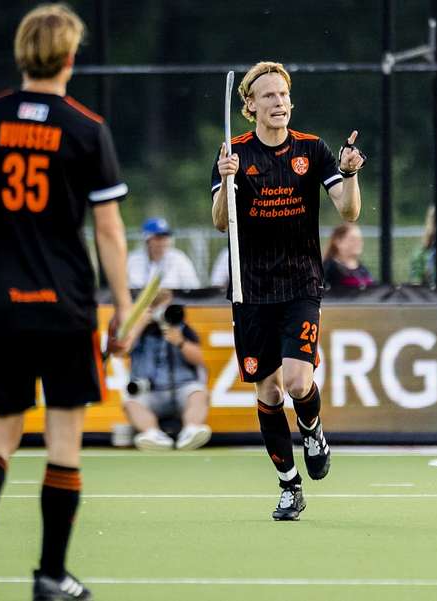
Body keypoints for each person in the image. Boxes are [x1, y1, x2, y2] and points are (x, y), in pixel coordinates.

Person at [0, 4, 133, 599]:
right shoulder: (85, 127)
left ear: (22, 53)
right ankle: (51, 575)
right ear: (71, 58)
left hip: (3, 303)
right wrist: (124, 304)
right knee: (64, 442)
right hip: (66, 306)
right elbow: (108, 230)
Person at [211, 61, 365, 520]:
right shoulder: (233, 153)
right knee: (269, 393)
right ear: (250, 106)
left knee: (298, 382)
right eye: (269, 96)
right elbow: (220, 221)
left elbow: (349, 212)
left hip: (300, 283)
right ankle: (288, 485)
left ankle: (313, 429)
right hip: (252, 290)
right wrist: (226, 180)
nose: (279, 103)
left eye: (283, 95)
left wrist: (350, 172)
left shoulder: (312, 150)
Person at [124, 289, 211, 451]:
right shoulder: (140, 330)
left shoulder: (181, 328)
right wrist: (142, 322)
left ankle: (191, 431)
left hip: (182, 388)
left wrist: (180, 341)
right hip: (150, 390)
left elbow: (199, 358)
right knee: (131, 402)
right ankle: (152, 434)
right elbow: (124, 349)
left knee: (199, 393)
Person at [127, 217, 201, 290]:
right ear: (147, 240)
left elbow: (193, 288)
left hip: (174, 301)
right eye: (158, 238)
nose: (163, 242)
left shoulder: (179, 259)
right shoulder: (132, 260)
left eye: (166, 237)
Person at [322, 223, 374, 290]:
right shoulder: (328, 269)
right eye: (352, 239)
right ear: (338, 241)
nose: (358, 242)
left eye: (360, 239)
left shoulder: (363, 269)